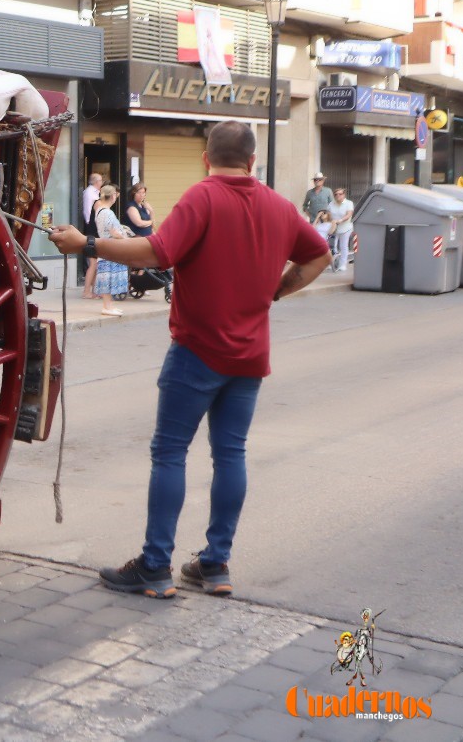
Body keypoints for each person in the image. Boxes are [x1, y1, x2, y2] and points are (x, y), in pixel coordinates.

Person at [47, 121, 331, 599]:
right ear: (253, 161)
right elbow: (319, 255)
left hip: (197, 352)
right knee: (231, 456)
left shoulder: (203, 197)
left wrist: (87, 244)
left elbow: (157, 252)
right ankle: (215, 565)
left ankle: (156, 566)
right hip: (248, 356)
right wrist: (277, 291)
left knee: (170, 454)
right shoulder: (278, 206)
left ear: (206, 157)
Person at [91, 184, 130, 317]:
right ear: (112, 196)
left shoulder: (100, 211)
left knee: (108, 277)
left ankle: (109, 306)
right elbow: (114, 232)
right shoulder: (107, 212)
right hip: (112, 247)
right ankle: (107, 307)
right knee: (110, 277)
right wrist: (124, 237)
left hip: (106, 247)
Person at [80, 172, 103, 299]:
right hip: (91, 228)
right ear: (96, 182)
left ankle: (94, 289)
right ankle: (86, 291)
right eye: (100, 180)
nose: (102, 183)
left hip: (91, 228)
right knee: (93, 262)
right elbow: (89, 213)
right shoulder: (91, 194)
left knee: (95, 262)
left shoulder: (92, 193)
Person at [328, 187, 355, 272]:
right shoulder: (331, 204)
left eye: (340, 194)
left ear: (344, 195)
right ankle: (333, 263)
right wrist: (330, 221)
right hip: (334, 228)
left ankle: (343, 264)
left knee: (343, 246)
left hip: (345, 227)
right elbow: (329, 215)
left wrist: (341, 220)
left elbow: (349, 214)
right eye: (336, 194)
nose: (338, 196)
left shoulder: (348, 203)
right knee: (333, 247)